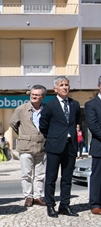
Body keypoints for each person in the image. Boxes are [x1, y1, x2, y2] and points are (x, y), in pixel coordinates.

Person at [39, 76, 80, 218]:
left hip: (70, 146)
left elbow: (76, 122)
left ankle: (65, 204)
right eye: (61, 85)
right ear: (55, 89)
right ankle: (50, 205)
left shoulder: (74, 104)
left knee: (67, 178)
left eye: (66, 84)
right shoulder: (50, 105)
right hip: (55, 146)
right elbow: (43, 125)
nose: (64, 87)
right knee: (51, 177)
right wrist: (54, 137)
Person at [9, 84, 47, 207]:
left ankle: (38, 196)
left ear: (42, 96)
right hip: (26, 147)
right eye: (32, 94)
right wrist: (23, 135)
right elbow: (13, 123)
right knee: (26, 174)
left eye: (37, 95)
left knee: (40, 174)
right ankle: (28, 196)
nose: (34, 96)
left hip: (42, 146)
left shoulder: (46, 109)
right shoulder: (21, 109)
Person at [85, 76, 101, 215]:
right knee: (98, 176)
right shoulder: (91, 105)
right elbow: (94, 127)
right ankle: (95, 203)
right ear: (99, 86)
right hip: (99, 146)